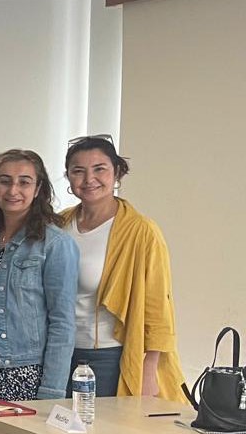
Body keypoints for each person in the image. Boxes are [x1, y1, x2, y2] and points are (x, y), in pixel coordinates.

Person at [61, 135, 184, 400]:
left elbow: (157, 306)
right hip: (58, 354)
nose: (89, 179)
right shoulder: (58, 225)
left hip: (109, 356)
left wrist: (148, 370)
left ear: (117, 172)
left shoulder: (141, 231)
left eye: (99, 169)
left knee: (104, 427)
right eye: (78, 171)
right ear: (68, 177)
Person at [0, 149, 78, 402]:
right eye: (5, 181)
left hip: (27, 375)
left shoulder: (55, 243)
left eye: (24, 182)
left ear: (38, 189)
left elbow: (62, 323)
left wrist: (52, 392)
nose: (13, 190)